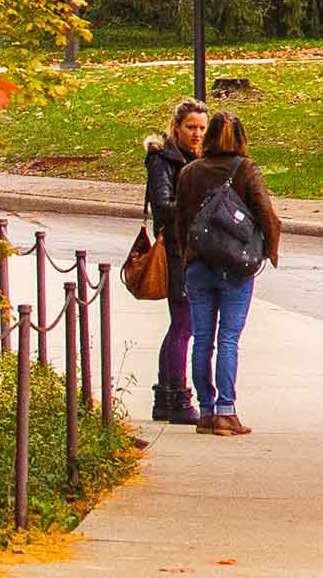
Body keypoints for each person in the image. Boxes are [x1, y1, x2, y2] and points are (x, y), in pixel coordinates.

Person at [172, 112, 281, 435]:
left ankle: (206, 410)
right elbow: (266, 213)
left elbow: (180, 220)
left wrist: (186, 257)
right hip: (235, 264)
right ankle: (226, 410)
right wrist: (269, 250)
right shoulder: (245, 169)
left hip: (199, 263)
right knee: (228, 338)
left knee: (202, 338)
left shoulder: (190, 172)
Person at [137, 98, 210, 424]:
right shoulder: (162, 159)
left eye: (202, 128)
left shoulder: (196, 158)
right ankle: (176, 396)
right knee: (184, 323)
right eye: (191, 127)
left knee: (182, 325)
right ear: (177, 127)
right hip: (175, 250)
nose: (197, 134)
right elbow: (163, 206)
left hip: (191, 248)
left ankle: (168, 395)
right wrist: (198, 207)